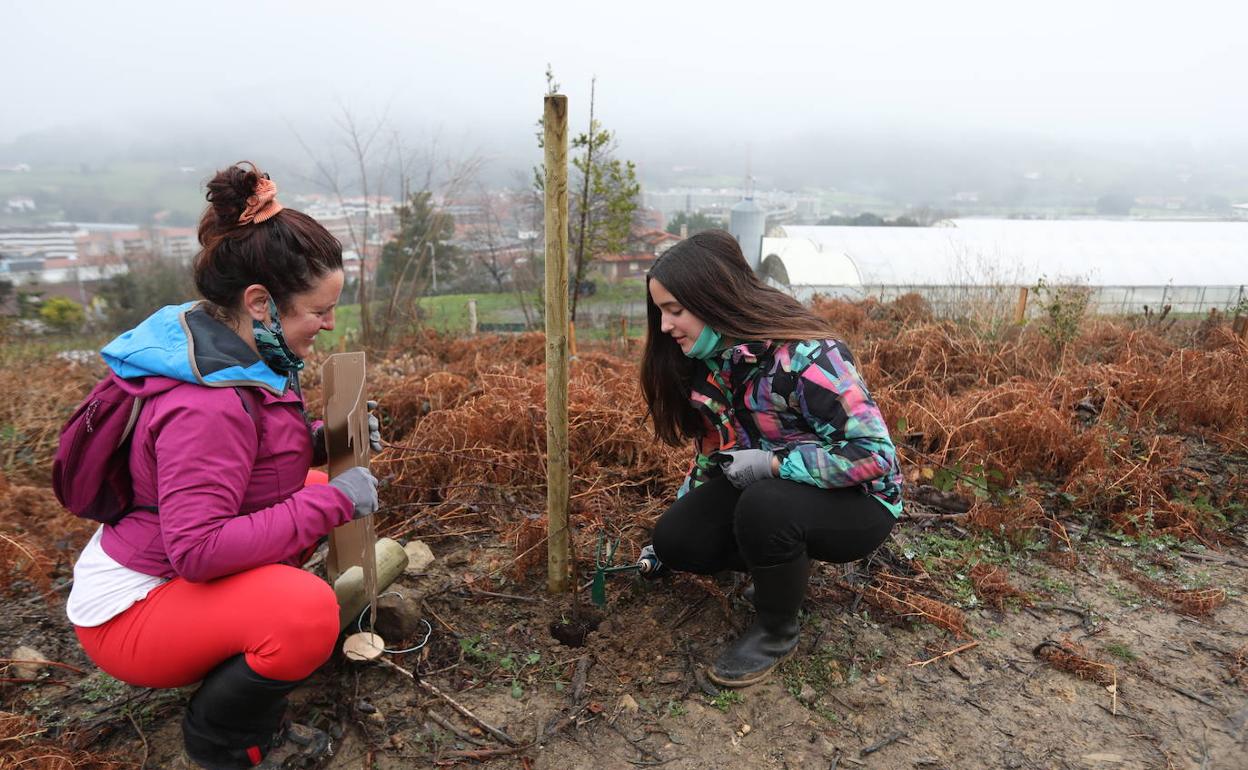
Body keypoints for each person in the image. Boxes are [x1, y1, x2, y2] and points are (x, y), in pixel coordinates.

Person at [65, 162, 381, 769]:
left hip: (165, 569)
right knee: (306, 609)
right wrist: (336, 502)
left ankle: (243, 651)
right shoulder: (205, 404)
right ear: (261, 302)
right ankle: (224, 742)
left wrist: (320, 444)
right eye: (319, 310)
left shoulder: (231, 350)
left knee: (313, 487)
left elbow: (252, 458)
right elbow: (200, 549)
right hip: (133, 612)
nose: (329, 323)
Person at [639, 229, 903, 688]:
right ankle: (782, 561)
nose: (664, 327)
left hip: (860, 502)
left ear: (714, 298)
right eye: (661, 311)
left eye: (674, 311)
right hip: (773, 493)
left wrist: (776, 464)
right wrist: (674, 524)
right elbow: (710, 454)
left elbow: (874, 455)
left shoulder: (808, 357)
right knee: (678, 540)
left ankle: (776, 629)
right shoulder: (712, 363)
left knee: (766, 504)